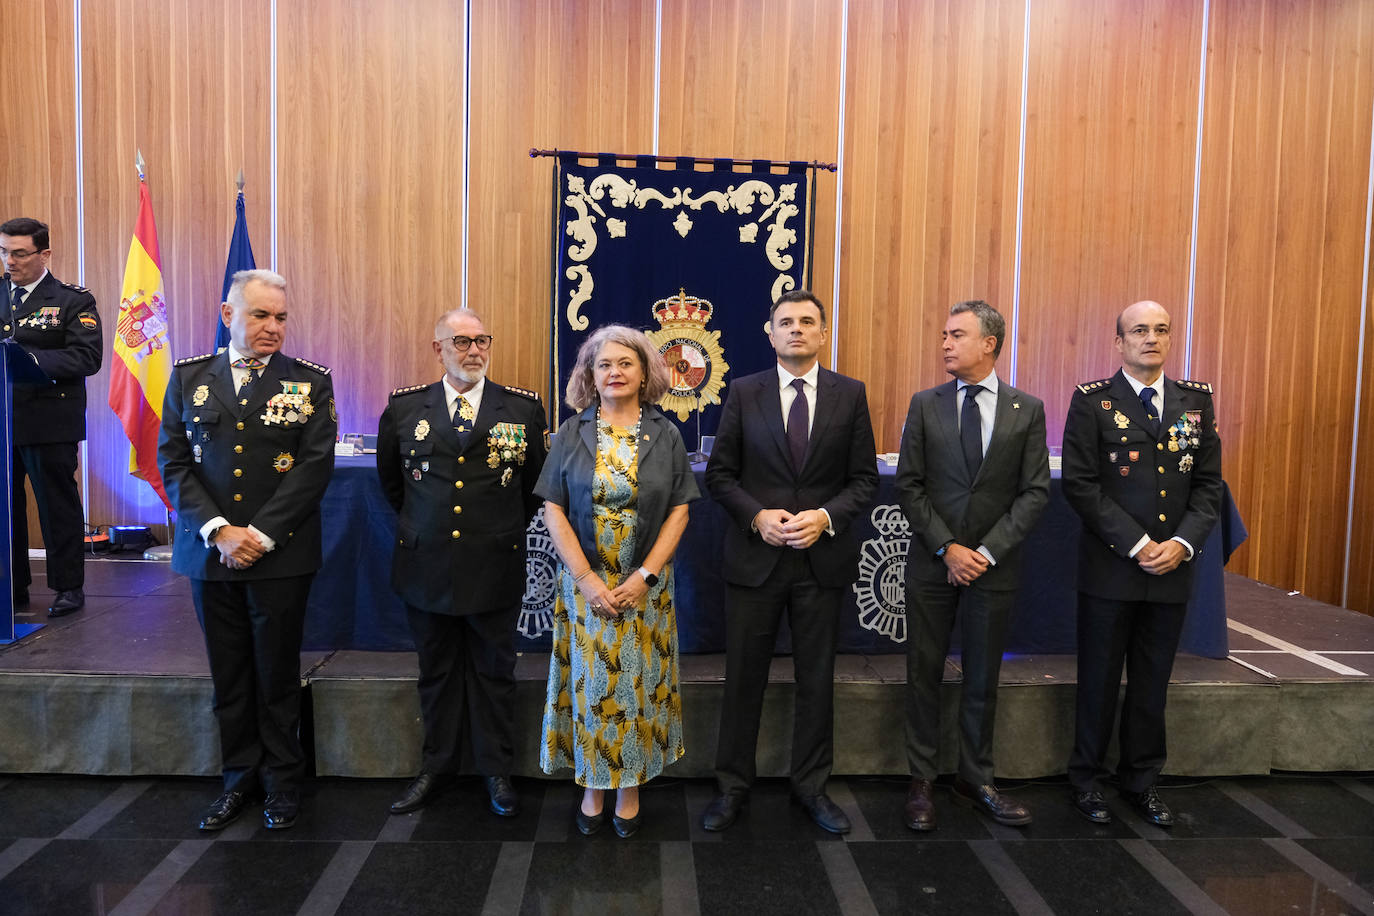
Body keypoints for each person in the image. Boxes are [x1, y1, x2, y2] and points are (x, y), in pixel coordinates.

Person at [156, 269, 336, 831]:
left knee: (277, 674)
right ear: (228, 315)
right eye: (259, 315)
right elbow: (173, 462)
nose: (272, 328)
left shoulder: (310, 382)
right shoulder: (189, 379)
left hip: (279, 556)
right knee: (229, 675)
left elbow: (313, 467)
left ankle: (283, 782)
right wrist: (218, 530)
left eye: (280, 317)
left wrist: (257, 535)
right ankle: (238, 781)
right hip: (210, 555)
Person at [701, 289, 878, 834]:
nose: (796, 330)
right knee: (743, 681)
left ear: (823, 333)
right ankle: (732, 788)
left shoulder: (850, 394)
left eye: (807, 322)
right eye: (786, 322)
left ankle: (812, 788)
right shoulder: (743, 392)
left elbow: (864, 481)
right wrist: (758, 517)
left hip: (821, 563)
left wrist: (825, 517)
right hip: (756, 560)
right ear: (769, 333)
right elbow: (720, 476)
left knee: (816, 681)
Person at [377, 309, 547, 818]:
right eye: (461, 342)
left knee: (495, 672)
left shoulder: (520, 408)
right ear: (439, 349)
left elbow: (533, 490)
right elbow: (393, 485)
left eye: (481, 341)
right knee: (436, 672)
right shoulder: (406, 409)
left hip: (494, 564)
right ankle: (437, 767)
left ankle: (497, 771)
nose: (474, 350)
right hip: (425, 566)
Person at [1062, 300, 1222, 827]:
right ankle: (1086, 781)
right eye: (1138, 331)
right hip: (1112, 568)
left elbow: (1207, 487)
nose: (1150, 338)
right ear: (1119, 342)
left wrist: (1182, 544)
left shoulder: (1195, 403)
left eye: (1160, 330)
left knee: (1152, 685)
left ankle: (1141, 781)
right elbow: (1081, 485)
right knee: (1100, 682)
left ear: (1170, 339)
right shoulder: (1092, 402)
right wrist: (1136, 544)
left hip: (1172, 569)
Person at [536, 324, 698, 838]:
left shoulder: (666, 433)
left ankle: (628, 786)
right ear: (589, 374)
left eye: (625, 363)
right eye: (604, 364)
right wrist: (585, 579)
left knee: (635, 685)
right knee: (592, 688)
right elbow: (553, 508)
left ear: (645, 371)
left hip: (644, 589)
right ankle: (592, 784)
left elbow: (679, 512)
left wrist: (645, 576)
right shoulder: (570, 432)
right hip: (587, 589)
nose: (614, 372)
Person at [894, 300, 1050, 831]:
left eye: (956, 334)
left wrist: (983, 553)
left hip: (993, 567)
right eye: (943, 333)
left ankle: (975, 778)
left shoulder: (1026, 409)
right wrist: (947, 548)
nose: (944, 343)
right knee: (923, 673)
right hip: (933, 562)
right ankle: (921, 781)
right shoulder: (924, 404)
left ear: (989, 343)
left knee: (983, 674)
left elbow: (1034, 491)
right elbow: (908, 485)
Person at [2, 218, 102, 617]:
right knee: (6, 509)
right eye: (5, 252)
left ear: (44, 254)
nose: (10, 261)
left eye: (20, 253)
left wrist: (29, 360)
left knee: (55, 505)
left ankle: (67, 586)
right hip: (5, 420)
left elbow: (86, 357)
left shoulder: (72, 300)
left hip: (48, 421)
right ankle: (11, 585)